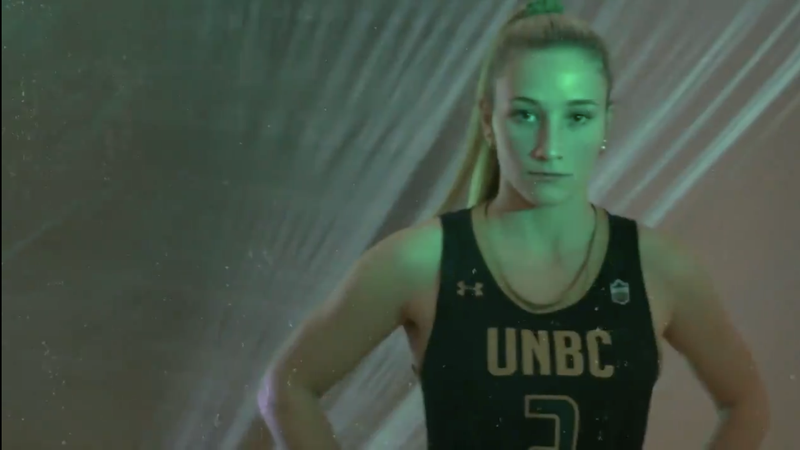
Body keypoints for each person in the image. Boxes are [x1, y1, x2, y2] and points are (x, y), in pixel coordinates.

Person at [259, 1, 770, 448]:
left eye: (577, 117)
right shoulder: (421, 262)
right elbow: (286, 388)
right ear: (489, 120)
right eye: (526, 115)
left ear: (606, 124)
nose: (550, 147)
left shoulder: (658, 268)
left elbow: (746, 403)